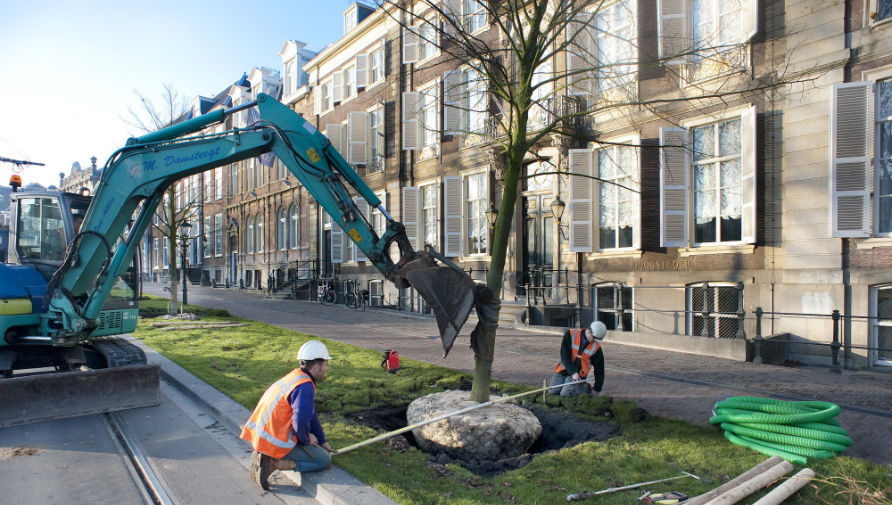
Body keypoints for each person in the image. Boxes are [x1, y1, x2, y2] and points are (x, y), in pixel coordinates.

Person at [241, 340, 334, 490]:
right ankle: (272, 463)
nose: (326, 369)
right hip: (273, 441)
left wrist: (322, 441)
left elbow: (310, 414)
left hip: (261, 437)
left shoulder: (296, 377)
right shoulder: (305, 386)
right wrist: (306, 439)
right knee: (323, 460)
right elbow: (301, 419)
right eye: (325, 365)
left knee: (319, 450)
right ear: (316, 367)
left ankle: (264, 456)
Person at [549, 321, 606, 397]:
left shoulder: (596, 348)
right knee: (552, 391)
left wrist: (597, 389)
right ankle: (569, 385)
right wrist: (573, 372)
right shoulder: (570, 334)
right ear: (589, 331)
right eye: (594, 338)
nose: (595, 341)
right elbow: (564, 355)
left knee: (565, 393)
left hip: (579, 377)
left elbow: (600, 370)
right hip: (563, 372)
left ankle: (585, 388)